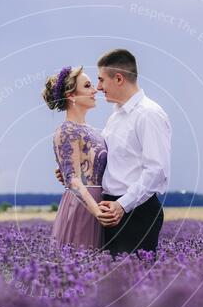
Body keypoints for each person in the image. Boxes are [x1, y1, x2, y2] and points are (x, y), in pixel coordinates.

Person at [55, 49, 171, 256]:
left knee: (132, 280)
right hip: (109, 210)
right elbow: (109, 160)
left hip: (135, 211)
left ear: (118, 78)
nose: (98, 88)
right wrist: (72, 169)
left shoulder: (148, 114)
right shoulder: (116, 116)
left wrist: (122, 205)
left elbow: (156, 170)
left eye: (101, 80)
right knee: (110, 282)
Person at [43, 66, 108, 249]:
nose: (95, 90)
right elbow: (72, 180)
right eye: (87, 86)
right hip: (83, 207)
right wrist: (98, 212)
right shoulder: (66, 130)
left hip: (99, 203)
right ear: (71, 96)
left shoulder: (93, 130)